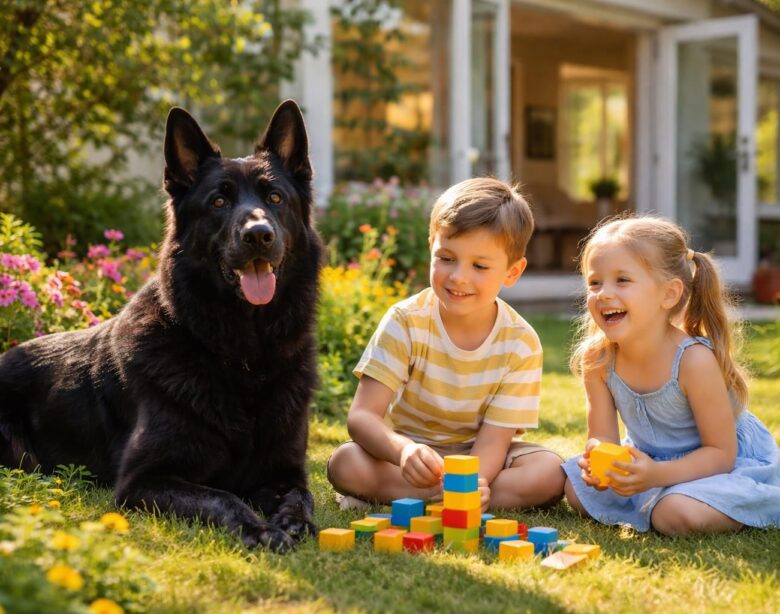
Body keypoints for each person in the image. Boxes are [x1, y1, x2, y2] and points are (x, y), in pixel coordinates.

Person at [327, 177, 565, 512]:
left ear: (512, 272)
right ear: (431, 248)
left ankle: (422, 499)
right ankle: (435, 497)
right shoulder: (406, 321)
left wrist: (469, 485)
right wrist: (402, 450)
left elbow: (495, 441)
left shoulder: (520, 343)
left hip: (483, 462)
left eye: (479, 266)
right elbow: (363, 416)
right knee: (345, 462)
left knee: (550, 473)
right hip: (411, 457)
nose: (458, 277)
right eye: (446, 258)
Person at [562, 216, 780, 535]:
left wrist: (656, 476)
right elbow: (603, 437)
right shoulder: (598, 360)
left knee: (673, 514)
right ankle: (661, 495)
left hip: (718, 466)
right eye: (595, 283)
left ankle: (755, 503)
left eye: (622, 280)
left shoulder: (693, 361)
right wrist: (598, 463)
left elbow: (721, 455)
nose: (603, 294)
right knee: (575, 491)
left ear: (669, 294)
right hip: (652, 463)